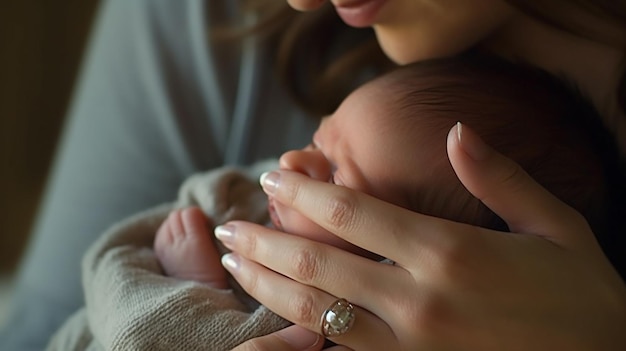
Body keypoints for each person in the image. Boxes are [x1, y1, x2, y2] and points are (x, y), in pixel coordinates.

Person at [1, 0, 624, 350]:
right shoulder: (208, 18)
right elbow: (48, 327)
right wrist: (195, 287)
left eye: (334, 176)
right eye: (315, 141)